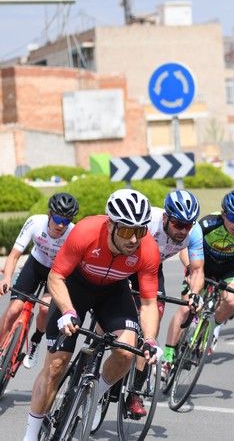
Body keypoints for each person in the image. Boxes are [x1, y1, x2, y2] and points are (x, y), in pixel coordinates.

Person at [22, 190, 161, 441]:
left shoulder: (147, 249)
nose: (134, 240)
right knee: (56, 366)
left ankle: (94, 396)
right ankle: (31, 435)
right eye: (127, 231)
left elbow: (150, 303)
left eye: (140, 231)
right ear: (110, 225)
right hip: (75, 288)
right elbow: (56, 276)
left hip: (113, 292)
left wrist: (150, 339)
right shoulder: (86, 232)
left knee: (127, 351)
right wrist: (67, 311)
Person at [127, 189, 204, 415]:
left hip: (152, 269)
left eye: (188, 225)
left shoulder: (194, 232)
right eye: (178, 224)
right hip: (127, 264)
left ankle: (135, 393)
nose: (183, 231)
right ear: (165, 218)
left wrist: (194, 293)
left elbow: (197, 269)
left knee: (152, 326)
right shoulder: (149, 222)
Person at [0, 193, 78, 369]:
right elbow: (13, 256)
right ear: (50, 214)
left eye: (66, 221)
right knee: (13, 310)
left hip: (56, 273)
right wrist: (6, 278)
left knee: (44, 308)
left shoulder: (73, 233)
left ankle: (35, 342)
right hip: (35, 265)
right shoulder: (35, 222)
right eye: (57, 218)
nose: (60, 225)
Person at [190, 191, 234, 351]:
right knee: (184, 307)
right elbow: (186, 246)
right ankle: (170, 353)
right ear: (223, 214)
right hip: (203, 265)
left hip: (228, 268)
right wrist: (191, 268)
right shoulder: (208, 223)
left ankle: (213, 327)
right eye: (232, 218)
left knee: (233, 300)